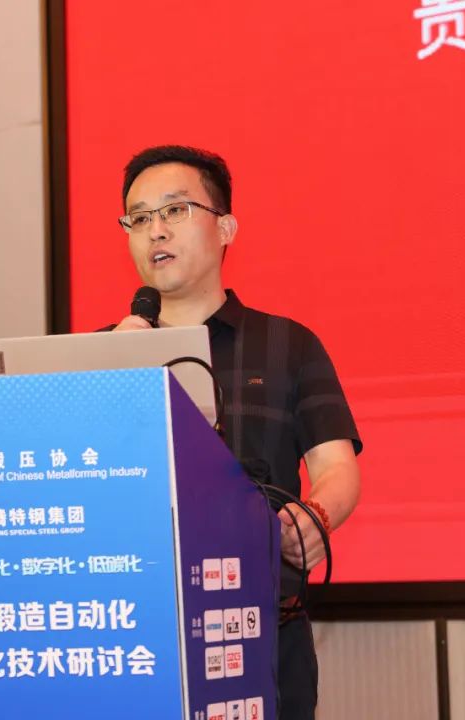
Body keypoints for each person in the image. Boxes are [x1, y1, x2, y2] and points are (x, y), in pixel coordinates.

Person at [108, 145, 363, 719]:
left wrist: (315, 517)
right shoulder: (101, 357)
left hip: (260, 628)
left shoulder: (288, 345)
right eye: (139, 218)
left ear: (225, 228)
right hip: (132, 632)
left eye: (174, 210)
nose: (155, 231)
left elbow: (336, 468)